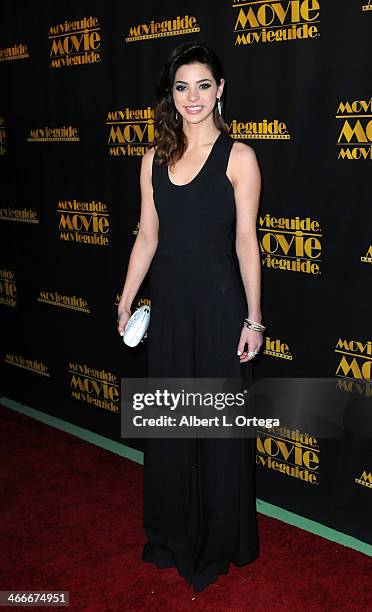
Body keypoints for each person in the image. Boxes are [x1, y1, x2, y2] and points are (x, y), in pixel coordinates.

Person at [117, 41, 264, 594]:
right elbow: (148, 235)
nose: (193, 97)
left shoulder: (240, 157)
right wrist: (126, 297)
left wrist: (254, 319)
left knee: (219, 430)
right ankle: (174, 531)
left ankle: (221, 539)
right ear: (170, 94)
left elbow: (247, 243)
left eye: (203, 85)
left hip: (220, 306)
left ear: (220, 89)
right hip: (172, 310)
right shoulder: (153, 157)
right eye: (182, 87)